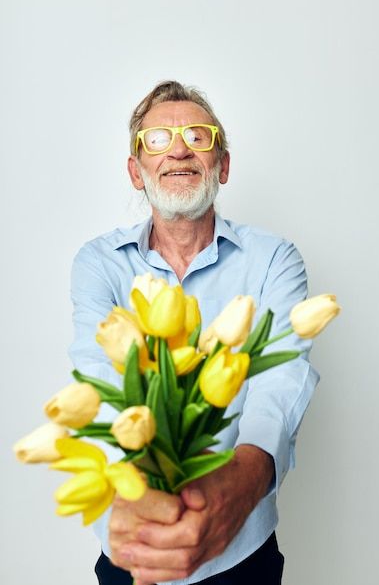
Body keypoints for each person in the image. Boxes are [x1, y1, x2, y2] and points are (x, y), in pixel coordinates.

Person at [69, 80, 319, 585]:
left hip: (242, 549)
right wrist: (140, 504)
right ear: (136, 171)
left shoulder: (274, 259)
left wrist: (241, 484)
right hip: (132, 547)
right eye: (157, 140)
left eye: (198, 137)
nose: (179, 148)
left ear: (222, 165)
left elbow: (283, 379)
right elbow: (97, 380)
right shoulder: (98, 263)